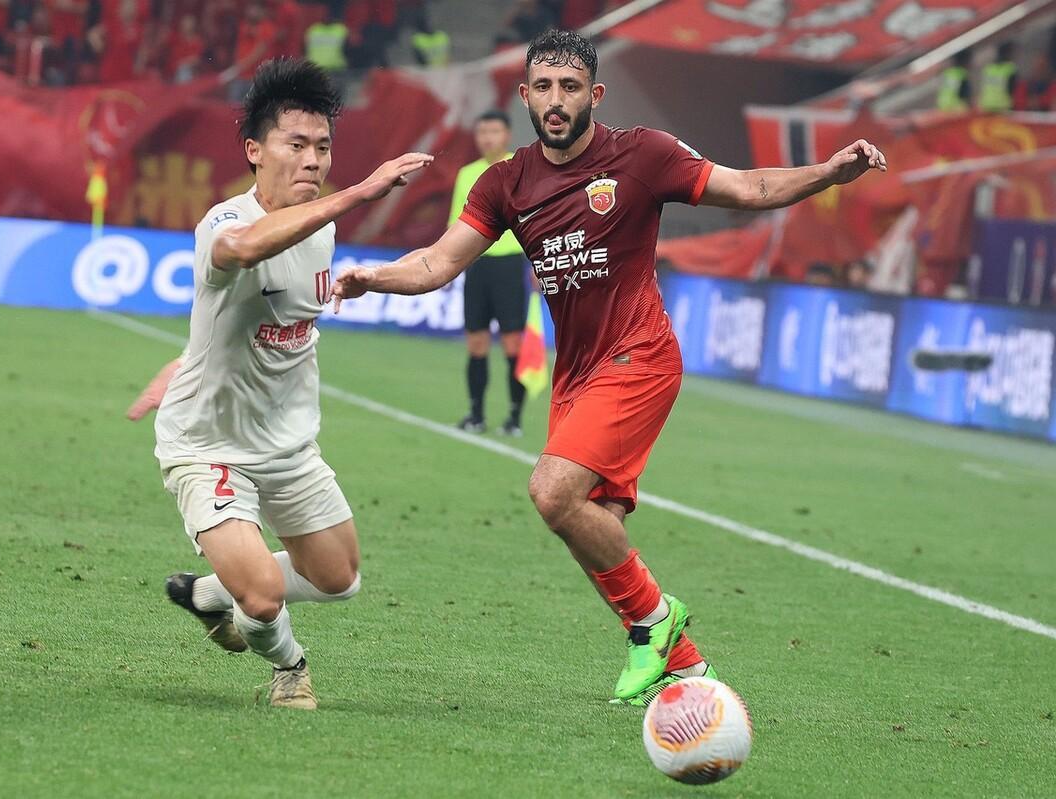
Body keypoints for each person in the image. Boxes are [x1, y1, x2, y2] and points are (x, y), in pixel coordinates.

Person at [331, 30, 886, 707]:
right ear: (524, 95)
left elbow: (749, 186)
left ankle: (655, 620)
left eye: (569, 87)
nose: (556, 100)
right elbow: (437, 262)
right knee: (590, 521)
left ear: (594, 94)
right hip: (578, 372)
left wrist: (828, 173)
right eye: (543, 87)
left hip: (640, 355)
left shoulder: (643, 154)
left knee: (552, 492)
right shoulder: (505, 183)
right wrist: (374, 277)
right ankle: (687, 669)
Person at [144, 58, 432, 709]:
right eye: (296, 144)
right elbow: (244, 249)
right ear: (254, 150)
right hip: (207, 444)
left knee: (339, 578)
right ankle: (290, 666)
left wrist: (186, 358)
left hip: (286, 443)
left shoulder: (321, 228)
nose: (313, 160)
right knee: (263, 599)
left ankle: (207, 594)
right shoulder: (223, 222)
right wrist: (360, 192)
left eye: (323, 147)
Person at [449, 109, 530, 436]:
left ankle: (514, 417)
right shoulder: (466, 174)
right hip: (477, 265)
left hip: (510, 264)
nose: (487, 138)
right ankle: (476, 414)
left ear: (507, 135)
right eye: (482, 132)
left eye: (494, 131)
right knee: (476, 342)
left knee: (513, 344)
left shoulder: (521, 169)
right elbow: (456, 225)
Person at [977, 41, 1017, 113]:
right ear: (1008, 53)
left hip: (986, 105)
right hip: (1002, 107)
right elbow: (1012, 89)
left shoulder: (988, 68)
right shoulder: (1010, 69)